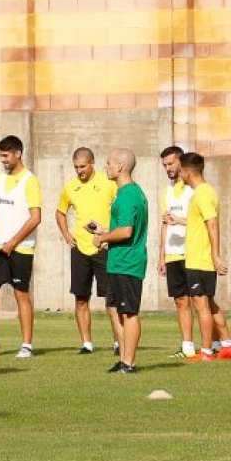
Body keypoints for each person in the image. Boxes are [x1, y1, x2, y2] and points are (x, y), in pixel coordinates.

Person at [0, 135, 42, 358]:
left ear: (18, 154)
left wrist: (13, 242)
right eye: (1, 155)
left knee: (20, 294)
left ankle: (26, 345)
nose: (3, 159)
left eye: (6, 155)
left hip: (21, 248)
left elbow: (36, 218)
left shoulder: (29, 180)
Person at [55, 147, 121, 356]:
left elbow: (120, 211)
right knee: (81, 298)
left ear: (92, 163)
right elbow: (60, 212)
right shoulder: (70, 187)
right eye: (76, 167)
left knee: (111, 297)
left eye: (82, 166)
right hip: (80, 248)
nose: (79, 171)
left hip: (103, 246)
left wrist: (109, 236)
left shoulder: (109, 183)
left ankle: (119, 341)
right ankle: (87, 344)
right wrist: (67, 235)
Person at [89, 149, 149, 374]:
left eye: (109, 163)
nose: (106, 167)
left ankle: (129, 363)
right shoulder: (125, 194)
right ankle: (123, 358)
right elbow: (121, 229)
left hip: (128, 263)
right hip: (117, 261)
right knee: (114, 308)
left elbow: (126, 231)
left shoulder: (128, 195)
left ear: (121, 167)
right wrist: (105, 231)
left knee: (129, 312)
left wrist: (102, 237)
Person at [178, 152, 231, 361]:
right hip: (199, 259)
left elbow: (212, 223)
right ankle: (226, 344)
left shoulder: (202, 193)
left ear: (187, 172)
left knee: (201, 306)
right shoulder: (205, 192)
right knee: (209, 303)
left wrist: (215, 256)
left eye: (181, 170)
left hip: (200, 260)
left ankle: (207, 351)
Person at [158, 146, 196, 358]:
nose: (168, 168)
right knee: (180, 301)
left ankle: (221, 342)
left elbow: (202, 222)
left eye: (171, 163)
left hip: (193, 252)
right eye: (164, 165)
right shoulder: (167, 191)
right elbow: (165, 224)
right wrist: (161, 256)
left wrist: (179, 220)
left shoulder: (193, 189)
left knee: (203, 301)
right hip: (173, 254)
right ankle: (188, 348)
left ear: (181, 162)